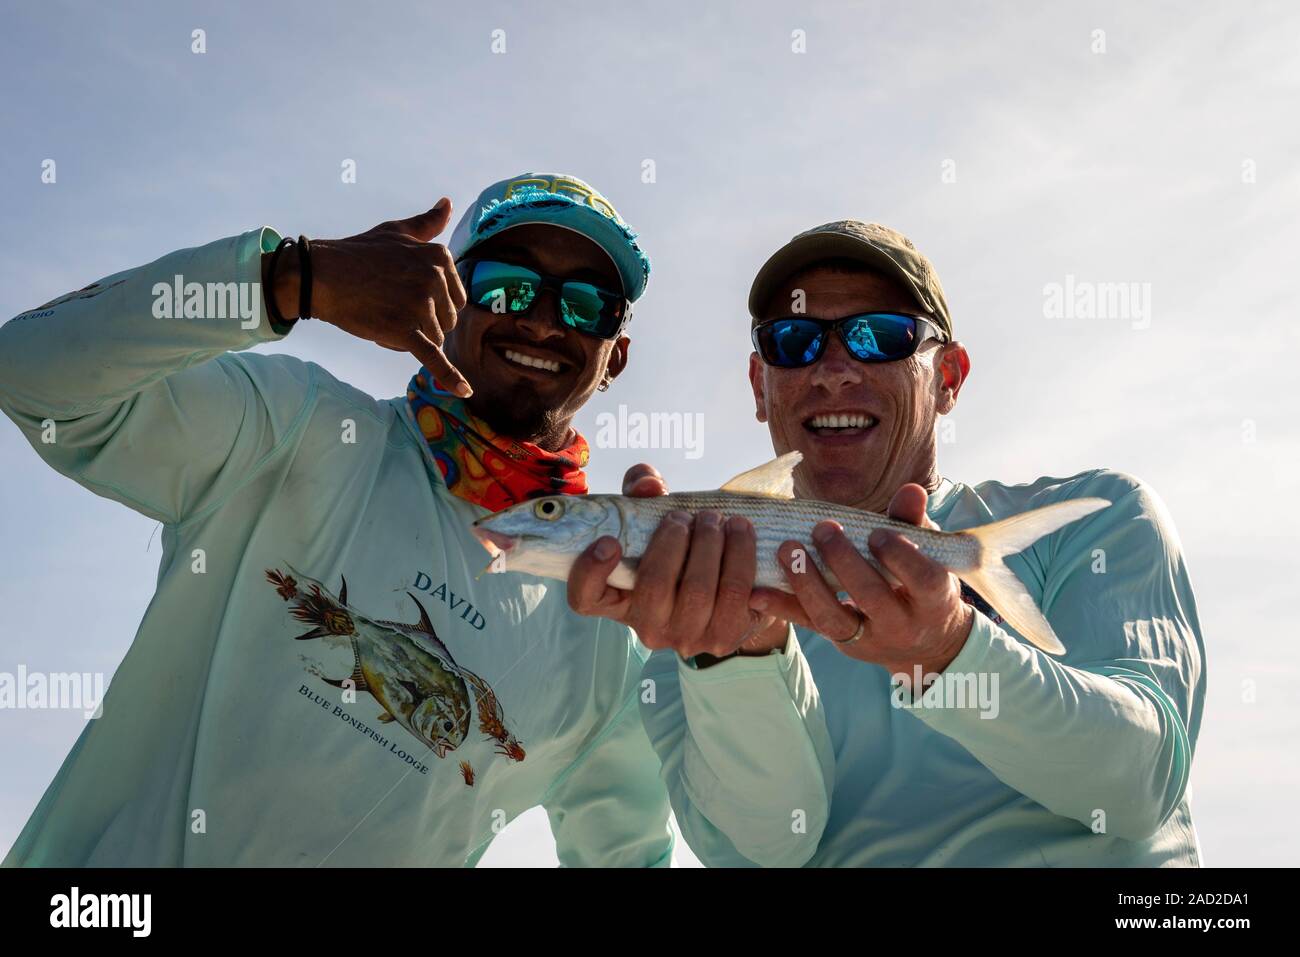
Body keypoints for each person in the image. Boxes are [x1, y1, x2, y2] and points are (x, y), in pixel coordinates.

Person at [0, 172, 673, 867]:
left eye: (588, 304)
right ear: (449, 296)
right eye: (508, 285)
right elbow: (30, 373)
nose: (541, 320)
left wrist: (731, 645)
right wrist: (291, 279)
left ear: (614, 356)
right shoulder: (295, 428)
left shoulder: (606, 630)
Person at [568, 220, 1205, 867]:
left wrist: (947, 651)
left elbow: (1138, 785)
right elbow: (763, 850)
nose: (835, 370)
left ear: (949, 377)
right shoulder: (683, 620)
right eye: (794, 341)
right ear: (760, 386)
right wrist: (733, 656)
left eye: (881, 336)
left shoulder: (1098, 519)